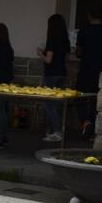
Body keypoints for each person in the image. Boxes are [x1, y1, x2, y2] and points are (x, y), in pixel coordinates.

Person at [37, 13, 71, 143]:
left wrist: (40, 53)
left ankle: (56, 132)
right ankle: (54, 131)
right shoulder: (65, 39)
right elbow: (65, 58)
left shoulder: (52, 39)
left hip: (51, 74)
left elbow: (49, 60)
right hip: (61, 73)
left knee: (49, 104)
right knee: (57, 104)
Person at [74, 7, 102, 139]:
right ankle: (91, 124)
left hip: (85, 69)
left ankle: (84, 122)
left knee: (79, 97)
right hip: (100, 69)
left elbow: (78, 52)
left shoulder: (84, 30)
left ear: (89, 15)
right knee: (96, 99)